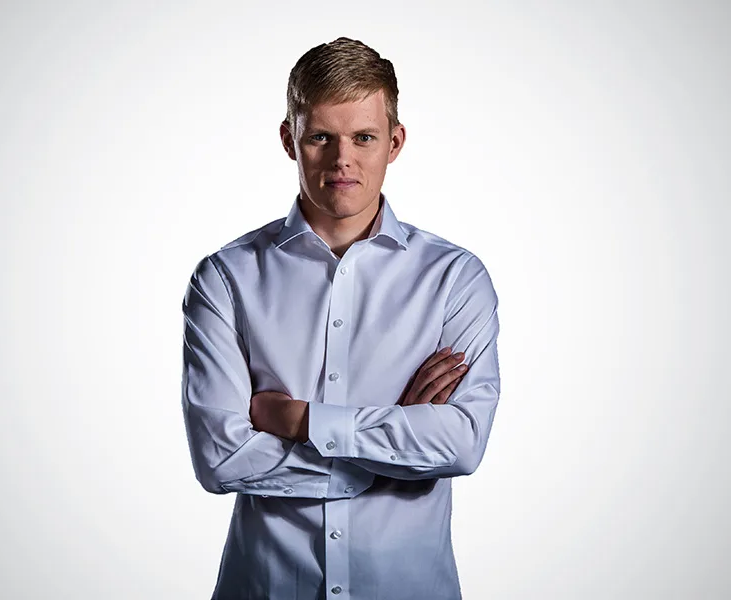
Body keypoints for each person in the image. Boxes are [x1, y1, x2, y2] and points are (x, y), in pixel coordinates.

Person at [182, 36, 501, 600]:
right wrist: (391, 444)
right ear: (290, 140)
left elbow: (459, 444)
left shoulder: (455, 278)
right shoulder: (226, 278)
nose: (342, 159)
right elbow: (222, 459)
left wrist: (301, 420)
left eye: (364, 137)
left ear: (394, 142)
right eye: (321, 137)